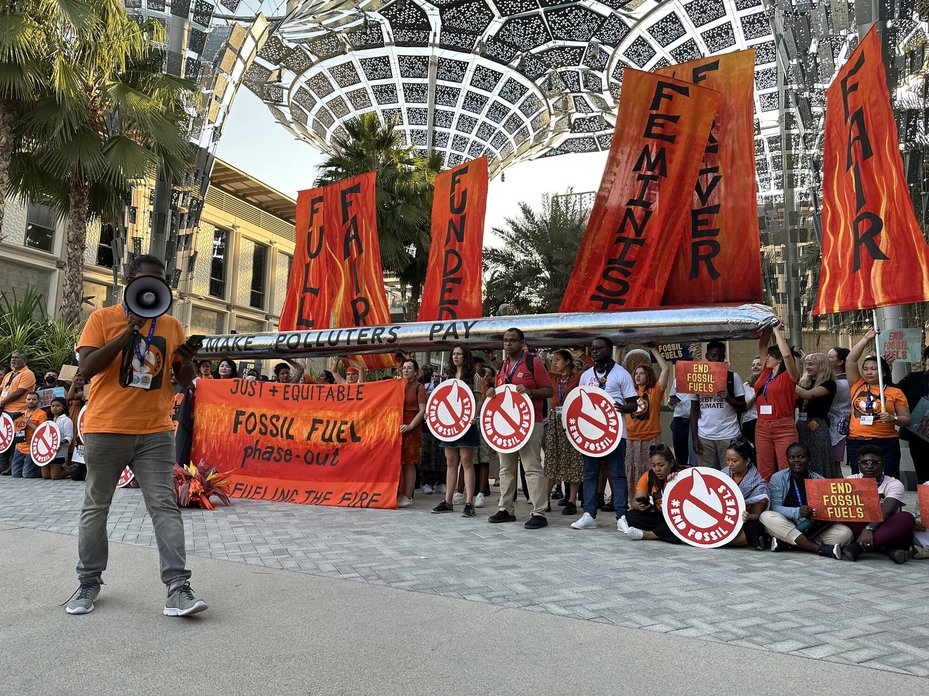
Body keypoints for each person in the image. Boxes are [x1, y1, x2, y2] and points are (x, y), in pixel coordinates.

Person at [65, 255, 205, 617]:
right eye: (146, 280)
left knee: (164, 505)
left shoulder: (172, 325)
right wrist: (129, 332)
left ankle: (177, 588)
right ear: (129, 281)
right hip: (106, 428)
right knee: (96, 507)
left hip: (155, 431)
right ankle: (88, 582)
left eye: (160, 282)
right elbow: (88, 367)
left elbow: (185, 380)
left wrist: (187, 359)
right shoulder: (102, 318)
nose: (152, 288)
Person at [487, 328, 554, 529]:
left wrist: (531, 391)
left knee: (531, 467)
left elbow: (549, 390)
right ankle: (505, 509)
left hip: (530, 422)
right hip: (506, 426)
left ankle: (539, 512)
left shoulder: (533, 363)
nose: (508, 344)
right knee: (505, 468)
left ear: (522, 342)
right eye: (505, 341)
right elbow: (502, 393)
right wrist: (492, 392)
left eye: (512, 341)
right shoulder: (502, 366)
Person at [571, 336, 638, 531]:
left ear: (609, 350)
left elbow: (634, 403)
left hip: (615, 433)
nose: (594, 351)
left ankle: (621, 516)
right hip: (591, 433)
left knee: (617, 474)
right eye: (592, 348)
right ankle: (589, 514)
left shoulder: (621, 374)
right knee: (590, 473)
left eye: (599, 348)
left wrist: (622, 407)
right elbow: (579, 402)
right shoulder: (586, 376)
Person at [759, 443, 852, 559]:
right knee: (766, 516)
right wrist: (798, 511)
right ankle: (820, 549)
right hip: (788, 523)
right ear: (787, 460)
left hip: (812, 527)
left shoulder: (819, 480)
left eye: (801, 457)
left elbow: (826, 509)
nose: (796, 461)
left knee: (845, 534)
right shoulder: (778, 478)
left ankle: (786, 543)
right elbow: (775, 507)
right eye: (792, 457)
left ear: (809, 459)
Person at [845, 329, 910, 478]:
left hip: (886, 442)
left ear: (884, 372)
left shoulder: (895, 392)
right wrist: (865, 339)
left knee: (890, 479)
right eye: (866, 369)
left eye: (874, 369)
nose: (868, 372)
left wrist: (893, 418)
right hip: (858, 441)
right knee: (861, 482)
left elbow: (906, 420)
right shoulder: (857, 384)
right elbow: (850, 360)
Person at [433, 345, 483, 518]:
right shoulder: (447, 376)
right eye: (454, 354)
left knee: (467, 462)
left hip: (466, 424)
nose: (456, 356)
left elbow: (478, 400)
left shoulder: (474, 376)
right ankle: (448, 501)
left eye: (459, 354)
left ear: (465, 356)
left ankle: (469, 502)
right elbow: (439, 399)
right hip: (449, 424)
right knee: (450, 462)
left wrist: (474, 416)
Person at [842, 445, 916, 563]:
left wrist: (869, 529)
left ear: (883, 465)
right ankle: (889, 550)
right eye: (865, 462)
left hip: (889, 528)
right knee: (845, 513)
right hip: (861, 526)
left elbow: (888, 511)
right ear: (858, 465)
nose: (869, 466)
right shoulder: (851, 480)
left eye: (875, 463)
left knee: (907, 518)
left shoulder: (894, 484)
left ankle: (858, 548)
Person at [624, 347, 671, 507]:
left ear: (648, 376)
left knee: (652, 473)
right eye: (635, 373)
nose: (637, 375)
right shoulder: (628, 391)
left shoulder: (655, 391)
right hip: (632, 439)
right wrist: (619, 350)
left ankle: (652, 504)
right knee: (631, 474)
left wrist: (653, 349)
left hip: (651, 439)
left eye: (641, 373)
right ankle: (633, 505)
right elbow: (615, 372)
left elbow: (665, 369)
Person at [754, 324, 801, 480]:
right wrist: (767, 327)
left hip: (783, 426)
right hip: (762, 426)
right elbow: (762, 345)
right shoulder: (766, 372)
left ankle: (786, 501)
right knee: (764, 468)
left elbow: (787, 356)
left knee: (786, 467)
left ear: (779, 359)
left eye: (770, 356)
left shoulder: (790, 376)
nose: (765, 358)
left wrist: (776, 330)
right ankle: (767, 502)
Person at [691, 340, 746, 469]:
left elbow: (743, 407)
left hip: (729, 435)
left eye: (720, 356)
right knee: (707, 475)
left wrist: (729, 399)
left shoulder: (733, 377)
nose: (717, 359)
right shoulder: (697, 377)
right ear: (707, 356)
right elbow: (693, 410)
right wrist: (694, 438)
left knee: (730, 473)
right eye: (713, 355)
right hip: (704, 436)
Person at [543, 350, 583, 516]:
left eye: (558, 360)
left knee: (574, 457)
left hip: (571, 418)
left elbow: (592, 368)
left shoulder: (578, 377)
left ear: (567, 361)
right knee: (552, 457)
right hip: (554, 419)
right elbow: (540, 369)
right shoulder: (553, 377)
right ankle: (544, 500)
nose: (555, 363)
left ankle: (572, 500)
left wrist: (581, 354)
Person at [624, 443, 683, 543]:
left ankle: (649, 535)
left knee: (677, 524)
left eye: (661, 465)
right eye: (653, 465)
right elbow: (634, 502)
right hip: (660, 516)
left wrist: (671, 484)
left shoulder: (681, 475)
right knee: (631, 515)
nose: (657, 470)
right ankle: (665, 533)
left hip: (678, 517)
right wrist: (639, 506)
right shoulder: (648, 476)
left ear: (671, 463)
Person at [720, 440, 769, 549]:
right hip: (720, 519)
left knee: (754, 528)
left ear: (746, 461)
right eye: (727, 460)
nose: (729, 464)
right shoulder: (722, 475)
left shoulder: (758, 486)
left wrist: (747, 516)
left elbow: (757, 515)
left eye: (734, 461)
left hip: (743, 523)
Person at [795, 352, 837, 477]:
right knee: (803, 458)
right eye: (806, 364)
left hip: (817, 425)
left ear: (822, 366)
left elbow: (808, 395)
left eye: (811, 364)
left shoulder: (829, 384)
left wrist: (788, 381)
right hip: (802, 424)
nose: (807, 367)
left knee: (818, 459)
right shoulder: (804, 382)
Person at [0, 350, 37, 475]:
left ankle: (11, 466)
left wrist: (1, 403)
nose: (13, 359)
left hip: (18, 412)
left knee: (14, 441)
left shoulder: (28, 374)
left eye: (16, 357)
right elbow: (2, 389)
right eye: (12, 357)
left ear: (23, 360)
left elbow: (19, 392)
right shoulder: (9, 374)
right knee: (3, 439)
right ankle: (3, 466)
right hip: (4, 412)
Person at [896, 345, 929, 484]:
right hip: (918, 434)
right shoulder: (913, 378)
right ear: (926, 360)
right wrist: (888, 369)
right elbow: (893, 392)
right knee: (923, 472)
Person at [398, 359, 427, 508]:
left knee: (409, 463)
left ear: (416, 372)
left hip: (412, 429)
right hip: (398, 428)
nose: (406, 370)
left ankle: (407, 495)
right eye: (404, 368)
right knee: (399, 463)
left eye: (409, 368)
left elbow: (422, 410)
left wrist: (410, 426)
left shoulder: (419, 388)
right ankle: (399, 492)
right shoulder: (398, 386)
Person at [827, 346, 852, 476]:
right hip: (839, 425)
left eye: (830, 357)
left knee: (835, 466)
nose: (826, 359)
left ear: (841, 362)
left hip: (836, 426)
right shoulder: (847, 380)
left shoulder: (840, 384)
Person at [10, 391, 47, 478]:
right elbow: (17, 431)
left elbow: (43, 432)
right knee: (15, 474)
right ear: (25, 400)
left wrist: (30, 423)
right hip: (20, 447)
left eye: (34, 399)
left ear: (38, 400)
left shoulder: (42, 414)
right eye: (29, 399)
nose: (31, 401)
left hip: (32, 448)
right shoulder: (21, 413)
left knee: (27, 474)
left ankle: (46, 472)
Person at [41, 397, 74, 480]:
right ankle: (59, 468)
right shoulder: (48, 420)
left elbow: (69, 436)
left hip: (59, 452)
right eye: (52, 406)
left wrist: (60, 443)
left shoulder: (66, 420)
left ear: (63, 407)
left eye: (58, 406)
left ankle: (71, 469)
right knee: (46, 476)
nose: (54, 408)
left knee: (55, 477)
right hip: (47, 452)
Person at [667, 376, 696, 468]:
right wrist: (672, 401)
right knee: (680, 455)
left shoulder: (698, 380)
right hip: (679, 420)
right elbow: (671, 403)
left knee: (694, 455)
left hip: (694, 421)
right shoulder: (677, 381)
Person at [741, 357, 762, 446]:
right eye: (753, 365)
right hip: (750, 422)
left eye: (759, 365)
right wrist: (754, 398)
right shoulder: (745, 386)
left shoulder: (771, 384)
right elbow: (743, 408)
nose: (755, 367)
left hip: (765, 422)